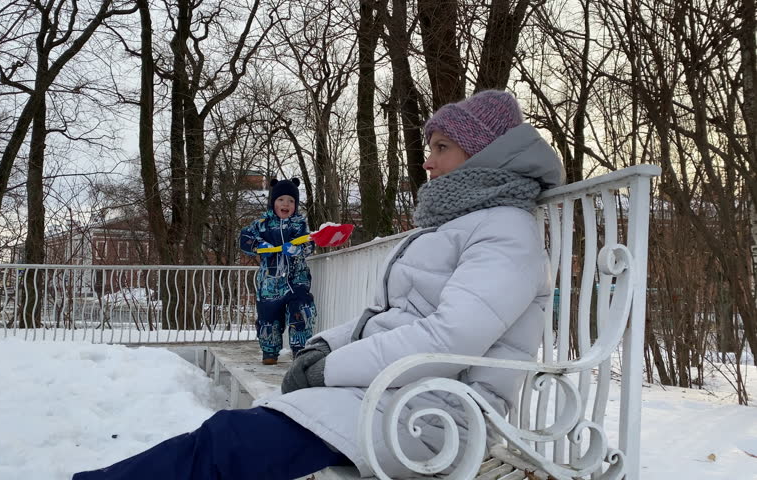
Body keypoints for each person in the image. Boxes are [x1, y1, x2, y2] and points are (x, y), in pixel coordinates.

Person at [73, 90, 565, 480]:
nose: (427, 162)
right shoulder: (458, 224)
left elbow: (448, 340)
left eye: (441, 148)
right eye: (429, 147)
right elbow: (384, 314)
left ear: (484, 155)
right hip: (398, 394)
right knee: (228, 440)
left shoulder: (506, 232)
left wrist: (328, 370)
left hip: (436, 415)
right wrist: (320, 348)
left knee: (230, 444)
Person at [238, 177, 317, 365]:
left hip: (296, 280)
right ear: (273, 202)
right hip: (270, 283)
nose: (286, 204)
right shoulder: (262, 224)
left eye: (291, 201)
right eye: (281, 200)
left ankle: (300, 350)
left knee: (302, 311)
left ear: (295, 205)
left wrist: (299, 248)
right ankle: (270, 351)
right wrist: (260, 245)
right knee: (268, 316)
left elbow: (309, 242)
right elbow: (245, 239)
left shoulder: (299, 224)